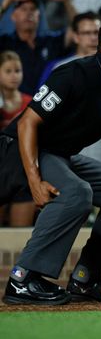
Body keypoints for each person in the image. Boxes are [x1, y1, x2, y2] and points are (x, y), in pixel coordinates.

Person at [0, 13, 101, 305]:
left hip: (59, 155)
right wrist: (35, 180)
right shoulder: (74, 73)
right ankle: (23, 279)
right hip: (19, 150)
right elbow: (27, 123)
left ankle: (86, 278)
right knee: (76, 192)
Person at [0, 51, 34, 227]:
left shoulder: (31, 102)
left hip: (21, 172)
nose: (14, 76)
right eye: (8, 71)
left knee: (20, 235)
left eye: (18, 70)